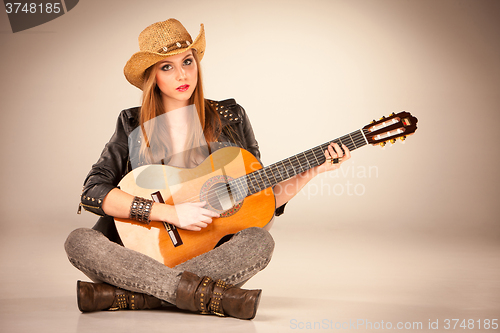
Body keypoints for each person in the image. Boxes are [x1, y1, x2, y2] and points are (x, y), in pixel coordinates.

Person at [64, 18, 350, 320]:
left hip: (208, 257)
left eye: (188, 61)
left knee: (259, 240)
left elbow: (259, 198)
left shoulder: (230, 117)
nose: (182, 74)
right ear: (152, 77)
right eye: (167, 67)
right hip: (136, 253)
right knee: (80, 241)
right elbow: (94, 192)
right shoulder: (132, 123)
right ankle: (204, 295)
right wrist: (170, 214)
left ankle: (133, 294)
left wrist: (311, 171)